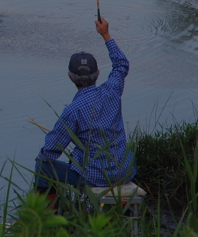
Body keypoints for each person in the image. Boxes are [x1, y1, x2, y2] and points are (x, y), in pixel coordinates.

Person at [34, 17, 136, 199]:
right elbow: (121, 64)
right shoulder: (112, 91)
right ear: (97, 74)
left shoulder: (73, 110)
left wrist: (42, 155)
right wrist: (105, 34)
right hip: (124, 172)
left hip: (95, 179)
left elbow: (52, 149)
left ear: (70, 77)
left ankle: (45, 216)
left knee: (42, 166)